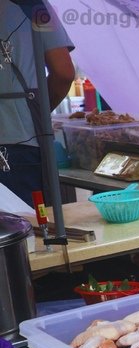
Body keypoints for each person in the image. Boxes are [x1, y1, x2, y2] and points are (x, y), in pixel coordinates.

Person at [0, 0, 75, 206]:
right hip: (19, 144)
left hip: (15, 145)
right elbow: (63, 72)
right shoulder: (34, 7)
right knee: (31, 231)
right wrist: (37, 111)